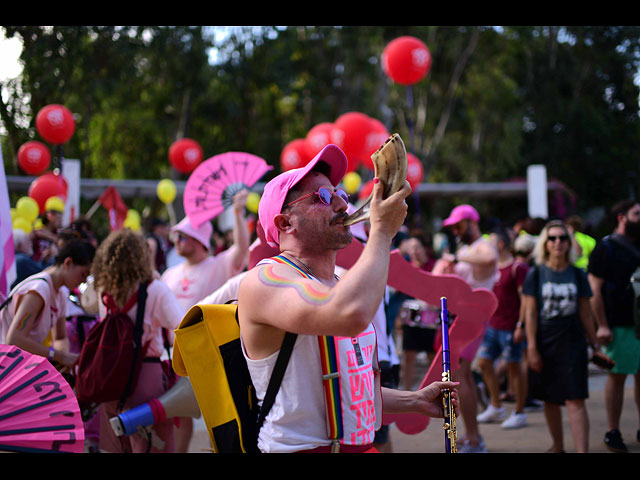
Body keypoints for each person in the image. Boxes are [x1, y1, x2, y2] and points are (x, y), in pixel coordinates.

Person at [237, 143, 459, 453]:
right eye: (323, 197)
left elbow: (349, 390)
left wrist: (415, 400)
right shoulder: (264, 281)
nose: (342, 204)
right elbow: (349, 315)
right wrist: (382, 232)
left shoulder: (339, 283)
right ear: (285, 223)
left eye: (341, 194)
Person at [160, 190, 249, 452]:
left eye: (182, 235)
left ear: (199, 240)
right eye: (175, 235)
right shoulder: (170, 273)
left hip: (213, 355)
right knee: (181, 416)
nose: (175, 240)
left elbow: (241, 249)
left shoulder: (218, 265)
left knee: (220, 414)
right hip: (176, 357)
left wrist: (237, 212)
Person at [91, 228, 185, 453]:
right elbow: (182, 327)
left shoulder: (105, 290)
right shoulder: (155, 290)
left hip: (111, 375)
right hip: (146, 376)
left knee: (117, 444)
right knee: (153, 444)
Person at [521, 220, 598, 453]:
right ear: (545, 243)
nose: (557, 243)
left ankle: (581, 450)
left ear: (569, 243)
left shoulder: (577, 273)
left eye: (563, 238)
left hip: (572, 339)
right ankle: (558, 446)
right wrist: (532, 348)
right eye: (552, 238)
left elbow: (586, 311)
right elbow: (531, 313)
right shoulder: (536, 273)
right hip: (545, 339)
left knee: (576, 398)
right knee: (550, 398)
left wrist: (594, 344)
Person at [432, 203, 499, 453]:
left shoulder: (483, 244)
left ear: (471, 222)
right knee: (461, 377)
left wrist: (455, 258)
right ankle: (470, 437)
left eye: (458, 225)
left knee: (461, 377)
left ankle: (474, 439)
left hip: (473, 318)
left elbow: (490, 258)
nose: (455, 230)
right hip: (458, 317)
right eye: (453, 227)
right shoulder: (467, 247)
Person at [587, 200, 640, 453]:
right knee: (616, 376)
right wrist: (602, 326)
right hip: (617, 327)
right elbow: (594, 291)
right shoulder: (605, 248)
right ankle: (613, 430)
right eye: (637, 213)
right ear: (622, 217)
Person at [1, 239, 95, 370]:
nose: (83, 281)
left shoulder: (61, 293)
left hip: (16, 366)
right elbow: (15, 339)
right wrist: (58, 356)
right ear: (68, 263)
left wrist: (63, 356)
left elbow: (60, 337)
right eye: (83, 274)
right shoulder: (39, 289)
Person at [476, 227, 529, 429]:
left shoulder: (517, 268)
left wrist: (520, 325)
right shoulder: (491, 268)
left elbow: (525, 299)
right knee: (484, 362)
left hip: (510, 326)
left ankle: (520, 411)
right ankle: (496, 405)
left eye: (491, 242)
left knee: (514, 368)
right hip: (493, 325)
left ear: (500, 244)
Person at [395, 234, 439, 391]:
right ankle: (406, 391)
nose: (413, 251)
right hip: (411, 319)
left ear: (425, 248)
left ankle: (436, 389)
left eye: (417, 247)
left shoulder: (435, 266)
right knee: (408, 355)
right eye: (411, 248)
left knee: (432, 357)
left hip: (431, 319)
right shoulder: (408, 267)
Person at [30, 196, 64, 266]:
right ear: (49, 216)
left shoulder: (60, 234)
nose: (60, 221)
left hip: (52, 266)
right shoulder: (37, 231)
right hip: (37, 264)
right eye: (58, 218)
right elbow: (30, 236)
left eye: (61, 218)